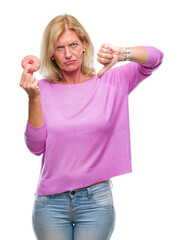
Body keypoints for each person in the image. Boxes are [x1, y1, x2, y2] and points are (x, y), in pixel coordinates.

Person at [19, 14, 164, 240]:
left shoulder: (110, 80)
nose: (68, 54)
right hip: (50, 204)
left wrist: (123, 53)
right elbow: (36, 147)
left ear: (85, 44)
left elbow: (155, 58)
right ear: (51, 53)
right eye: (60, 47)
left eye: (74, 44)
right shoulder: (42, 89)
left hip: (96, 202)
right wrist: (33, 98)